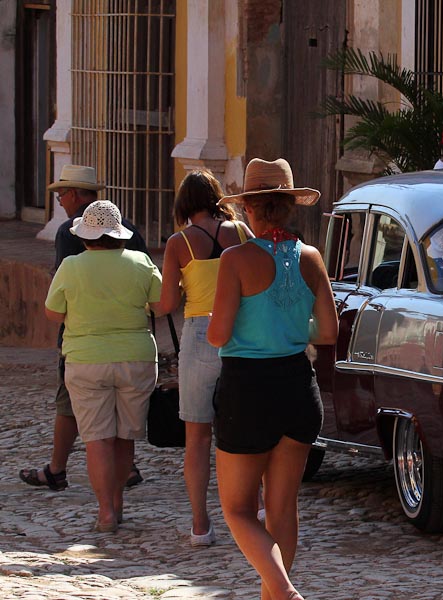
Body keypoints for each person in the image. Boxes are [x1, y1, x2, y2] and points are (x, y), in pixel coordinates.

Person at [207, 158, 338, 600]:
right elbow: (328, 331)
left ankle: (284, 591)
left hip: (248, 389)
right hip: (298, 385)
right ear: (289, 206)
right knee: (282, 507)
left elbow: (218, 334)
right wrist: (288, 327)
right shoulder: (311, 257)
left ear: (248, 207)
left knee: (238, 509)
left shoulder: (235, 259)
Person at [20, 165, 146, 492]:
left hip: (83, 339)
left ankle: (58, 469)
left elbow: (59, 296)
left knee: (69, 406)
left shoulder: (69, 232)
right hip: (130, 339)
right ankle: (125, 468)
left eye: (61, 194)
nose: (60, 201)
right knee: (120, 407)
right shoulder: (129, 229)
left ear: (75, 194)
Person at [44, 200, 162, 532]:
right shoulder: (141, 261)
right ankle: (119, 503)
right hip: (136, 358)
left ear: (85, 236)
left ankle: (105, 512)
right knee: (125, 437)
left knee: (97, 439)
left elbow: (53, 312)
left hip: (85, 360)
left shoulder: (71, 266)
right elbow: (161, 305)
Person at [155, 169, 253, 547]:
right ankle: (258, 507)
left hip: (199, 334)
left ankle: (200, 525)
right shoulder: (240, 232)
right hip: (240, 330)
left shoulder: (179, 243)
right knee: (247, 425)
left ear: (184, 203)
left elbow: (167, 302)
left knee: (197, 436)